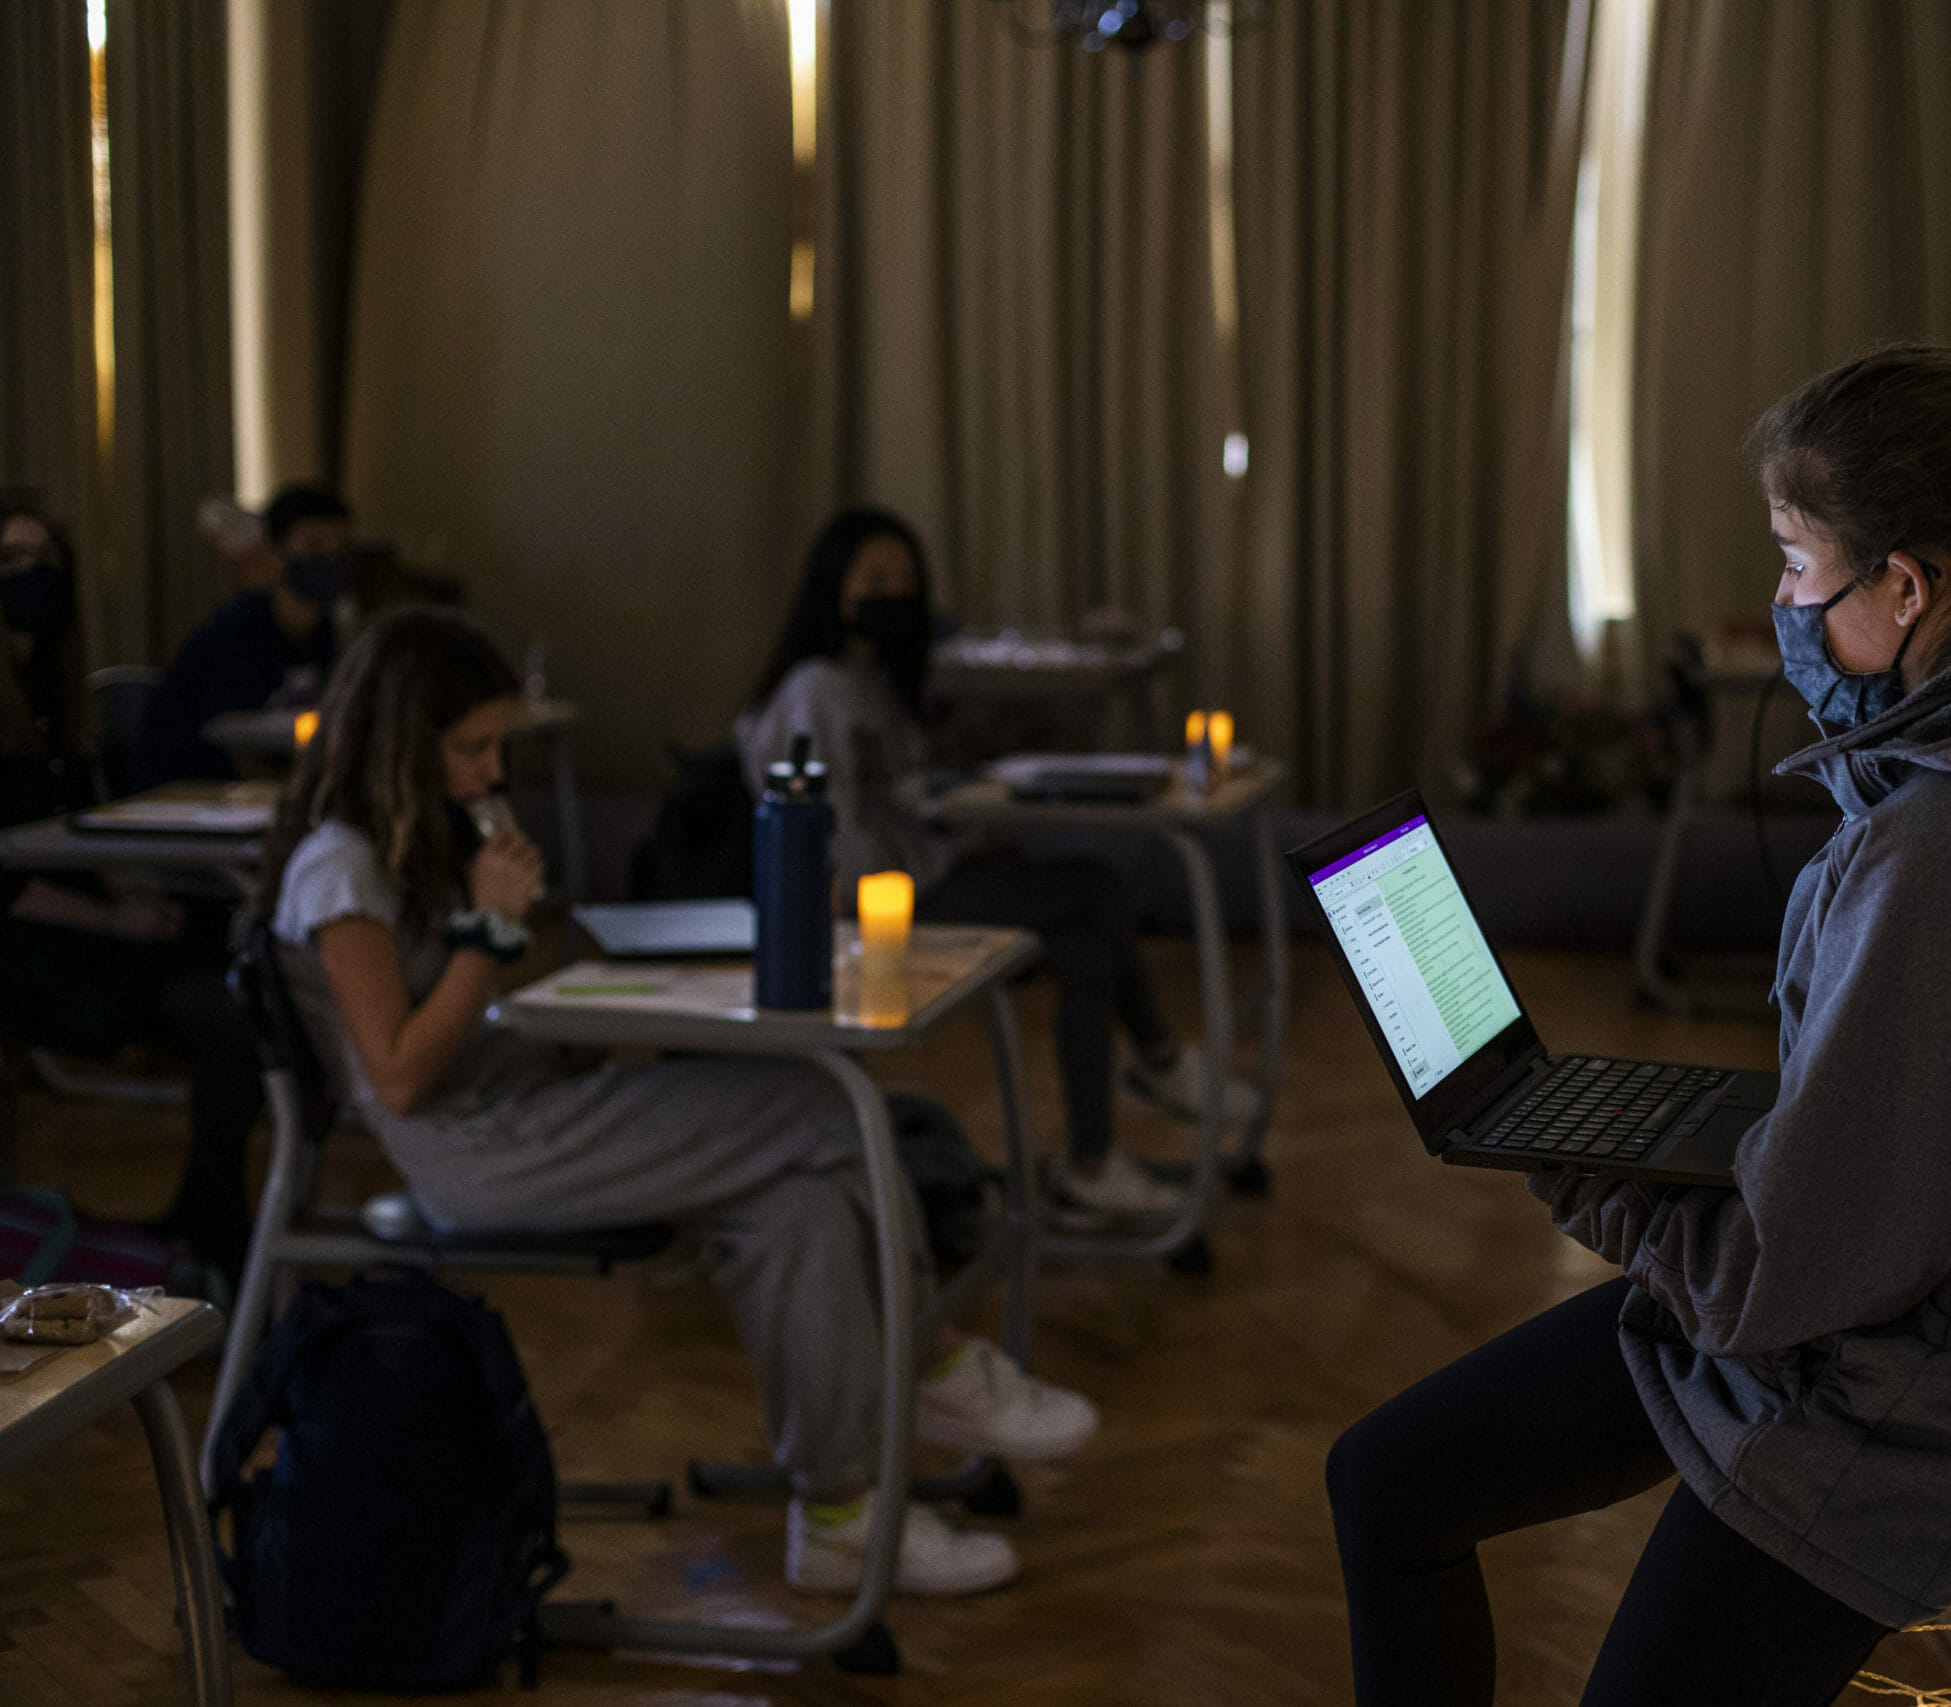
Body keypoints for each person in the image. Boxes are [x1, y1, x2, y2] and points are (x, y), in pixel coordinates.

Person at [1323, 346, 1951, 1706]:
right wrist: (1689, 1149)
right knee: (1386, 1478)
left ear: (1910, 587)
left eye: (1799, 563)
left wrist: (1577, 1165)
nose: (1784, 603)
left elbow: (1769, 1284)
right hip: (1888, 1323)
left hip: (1907, 1416)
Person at [256, 605, 1097, 1595]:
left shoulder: (411, 841)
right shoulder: (337, 868)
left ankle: (839, 1516)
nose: (491, 771)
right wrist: (485, 935)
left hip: (525, 1106)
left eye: (494, 746)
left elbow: (469, 1018)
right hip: (478, 1150)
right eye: (471, 748)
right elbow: (398, 1076)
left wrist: (551, 981)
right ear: (400, 744)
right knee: (818, 1104)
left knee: (797, 1204)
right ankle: (936, 1363)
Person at [736, 507, 1252, 1226]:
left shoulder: (876, 685)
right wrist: (949, 850)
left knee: (1087, 938)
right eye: (875, 582)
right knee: (1094, 889)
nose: (894, 597)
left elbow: (905, 802)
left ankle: (1093, 1161)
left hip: (924, 878)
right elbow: (842, 849)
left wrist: (964, 827)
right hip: (879, 915)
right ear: (832, 587)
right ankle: (1161, 1064)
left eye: (906, 583)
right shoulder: (815, 693)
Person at [0, 494, 263, 1277]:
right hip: (25, 938)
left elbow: (80, 825)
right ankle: (215, 1231)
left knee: (236, 961)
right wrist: (113, 920)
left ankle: (210, 1214)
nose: (32, 574)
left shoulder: (53, 695)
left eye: (46, 559)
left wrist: (131, 896)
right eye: (11, 561)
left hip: (77, 918)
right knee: (218, 1008)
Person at [131, 482, 348, 788]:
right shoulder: (233, 632)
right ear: (275, 552)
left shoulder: (325, 632)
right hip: (191, 788)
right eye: (314, 546)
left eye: (341, 548)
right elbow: (236, 743)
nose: (330, 558)